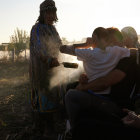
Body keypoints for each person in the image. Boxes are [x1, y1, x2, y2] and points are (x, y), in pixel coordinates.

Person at [29, 0, 62, 135]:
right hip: (41, 69)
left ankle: (50, 124)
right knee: (43, 95)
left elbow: (60, 46)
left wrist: (78, 48)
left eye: (52, 12)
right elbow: (38, 48)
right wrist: (48, 60)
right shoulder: (36, 28)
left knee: (54, 93)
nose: (50, 15)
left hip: (54, 67)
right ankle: (45, 127)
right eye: (47, 12)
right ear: (42, 14)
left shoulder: (53, 29)